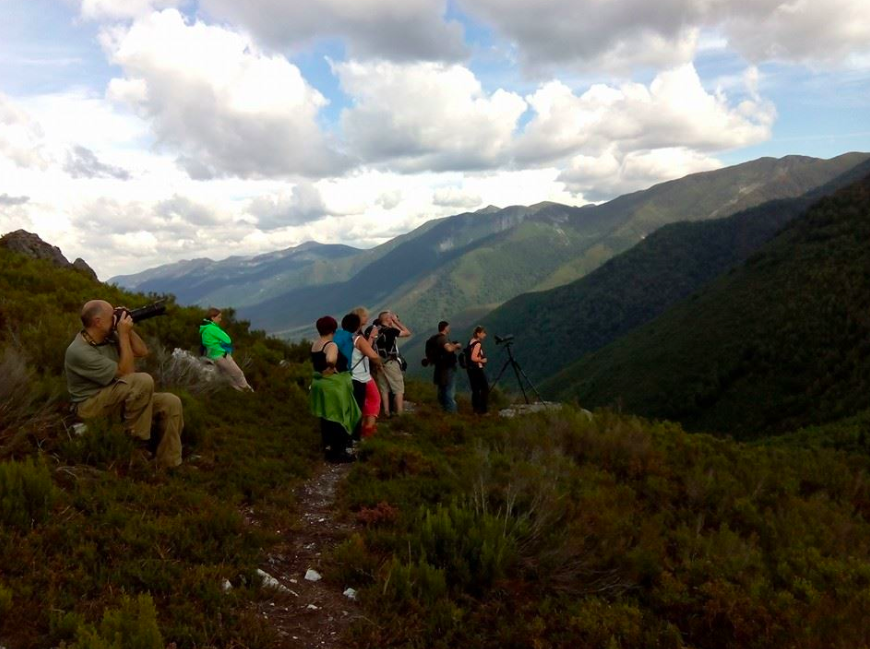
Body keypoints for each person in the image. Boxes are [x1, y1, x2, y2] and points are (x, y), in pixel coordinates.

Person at [64, 300, 183, 469]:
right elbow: (127, 373)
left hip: (115, 395)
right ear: (97, 322)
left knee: (171, 402)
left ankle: (169, 463)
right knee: (142, 381)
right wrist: (123, 335)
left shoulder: (108, 337)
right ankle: (136, 445)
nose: (115, 318)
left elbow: (142, 352)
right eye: (111, 316)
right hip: (90, 405)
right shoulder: (79, 351)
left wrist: (128, 329)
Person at [309, 316, 359, 463]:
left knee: (326, 418)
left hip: (320, 384)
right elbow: (331, 359)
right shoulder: (331, 345)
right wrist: (331, 367)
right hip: (333, 386)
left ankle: (329, 449)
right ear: (333, 328)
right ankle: (340, 452)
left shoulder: (315, 344)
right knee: (339, 417)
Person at [342, 312, 382, 438]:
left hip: (347, 375)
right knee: (368, 402)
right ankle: (364, 432)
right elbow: (373, 355)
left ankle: (352, 433)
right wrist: (380, 363)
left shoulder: (343, 338)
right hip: (360, 377)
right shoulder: (358, 338)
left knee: (353, 406)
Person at [200, 307, 253, 392]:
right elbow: (227, 339)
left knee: (229, 378)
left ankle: (240, 393)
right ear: (213, 318)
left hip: (213, 357)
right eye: (219, 317)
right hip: (221, 356)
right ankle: (249, 392)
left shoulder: (205, 329)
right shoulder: (212, 328)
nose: (220, 319)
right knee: (238, 374)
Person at [373, 311, 411, 417]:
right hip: (391, 362)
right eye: (390, 318)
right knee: (398, 388)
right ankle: (399, 413)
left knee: (384, 388)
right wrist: (396, 321)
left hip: (379, 362)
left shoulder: (376, 331)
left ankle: (386, 412)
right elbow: (407, 332)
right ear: (387, 319)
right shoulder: (391, 331)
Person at [432, 320, 463, 413]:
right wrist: (456, 346)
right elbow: (448, 349)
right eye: (448, 327)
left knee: (442, 389)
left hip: (440, 368)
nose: (449, 329)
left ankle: (444, 410)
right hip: (447, 368)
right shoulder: (443, 339)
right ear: (445, 328)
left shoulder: (436, 339)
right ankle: (452, 412)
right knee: (449, 390)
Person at [466, 326, 489, 415]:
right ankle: (483, 410)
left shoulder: (470, 342)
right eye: (483, 333)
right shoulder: (477, 344)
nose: (484, 335)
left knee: (475, 389)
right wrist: (482, 360)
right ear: (478, 333)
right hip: (477, 369)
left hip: (470, 369)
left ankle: (475, 409)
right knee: (485, 388)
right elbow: (473, 358)